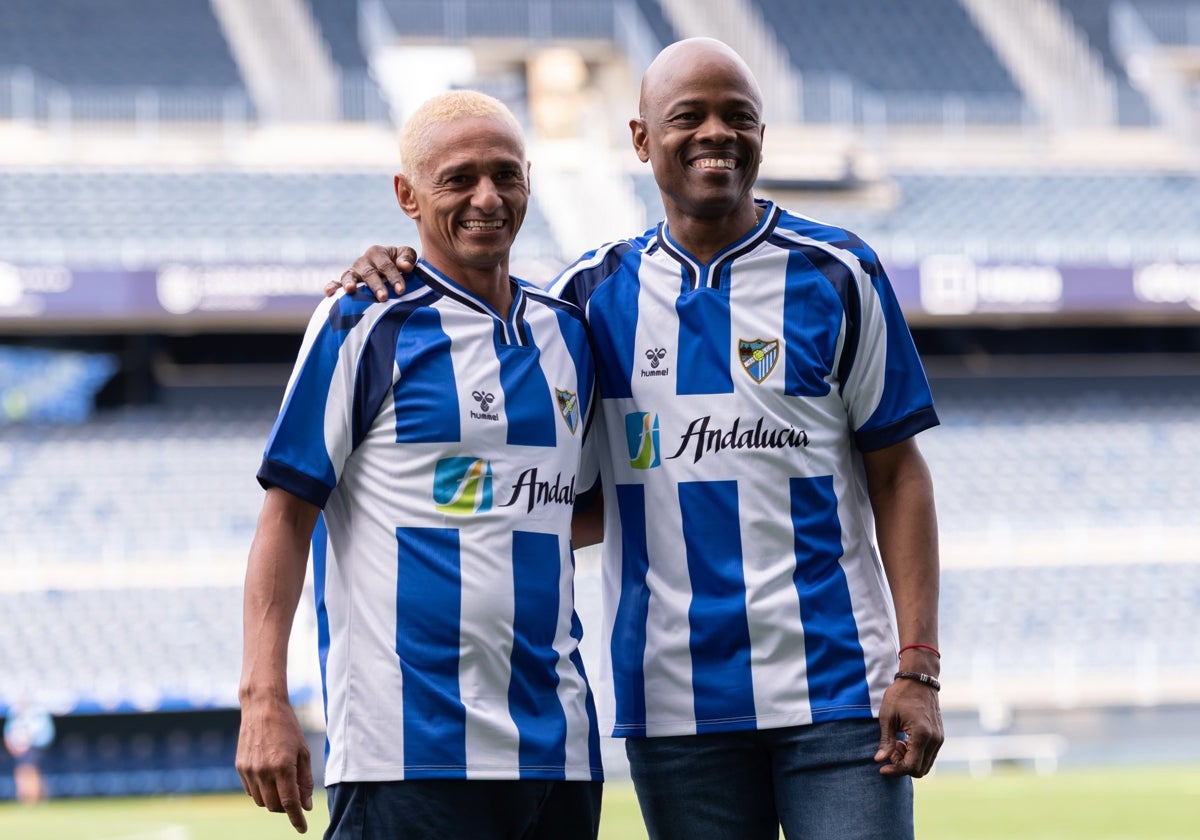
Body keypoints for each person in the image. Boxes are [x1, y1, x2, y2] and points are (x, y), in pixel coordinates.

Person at [335, 38, 943, 839]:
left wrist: (918, 668)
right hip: (675, 705)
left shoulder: (838, 274)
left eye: (740, 117)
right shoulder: (587, 299)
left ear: (764, 134)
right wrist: (396, 265)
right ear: (640, 139)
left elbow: (898, 475)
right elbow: (547, 474)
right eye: (688, 117)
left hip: (837, 692)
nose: (716, 134)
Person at [236, 90, 604, 839]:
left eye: (506, 174)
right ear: (406, 195)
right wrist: (262, 697)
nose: (487, 198)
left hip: (557, 750)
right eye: (458, 178)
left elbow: (586, 507)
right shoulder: (361, 321)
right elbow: (286, 514)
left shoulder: (569, 334)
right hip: (407, 754)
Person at [3, 700, 55, 803]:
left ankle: (32, 800)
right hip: (18, 749)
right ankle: (26, 798)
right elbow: (8, 732)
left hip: (34, 746)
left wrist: (30, 741)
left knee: (30, 771)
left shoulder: (37, 712)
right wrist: (12, 746)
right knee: (21, 772)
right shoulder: (14, 712)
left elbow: (46, 734)